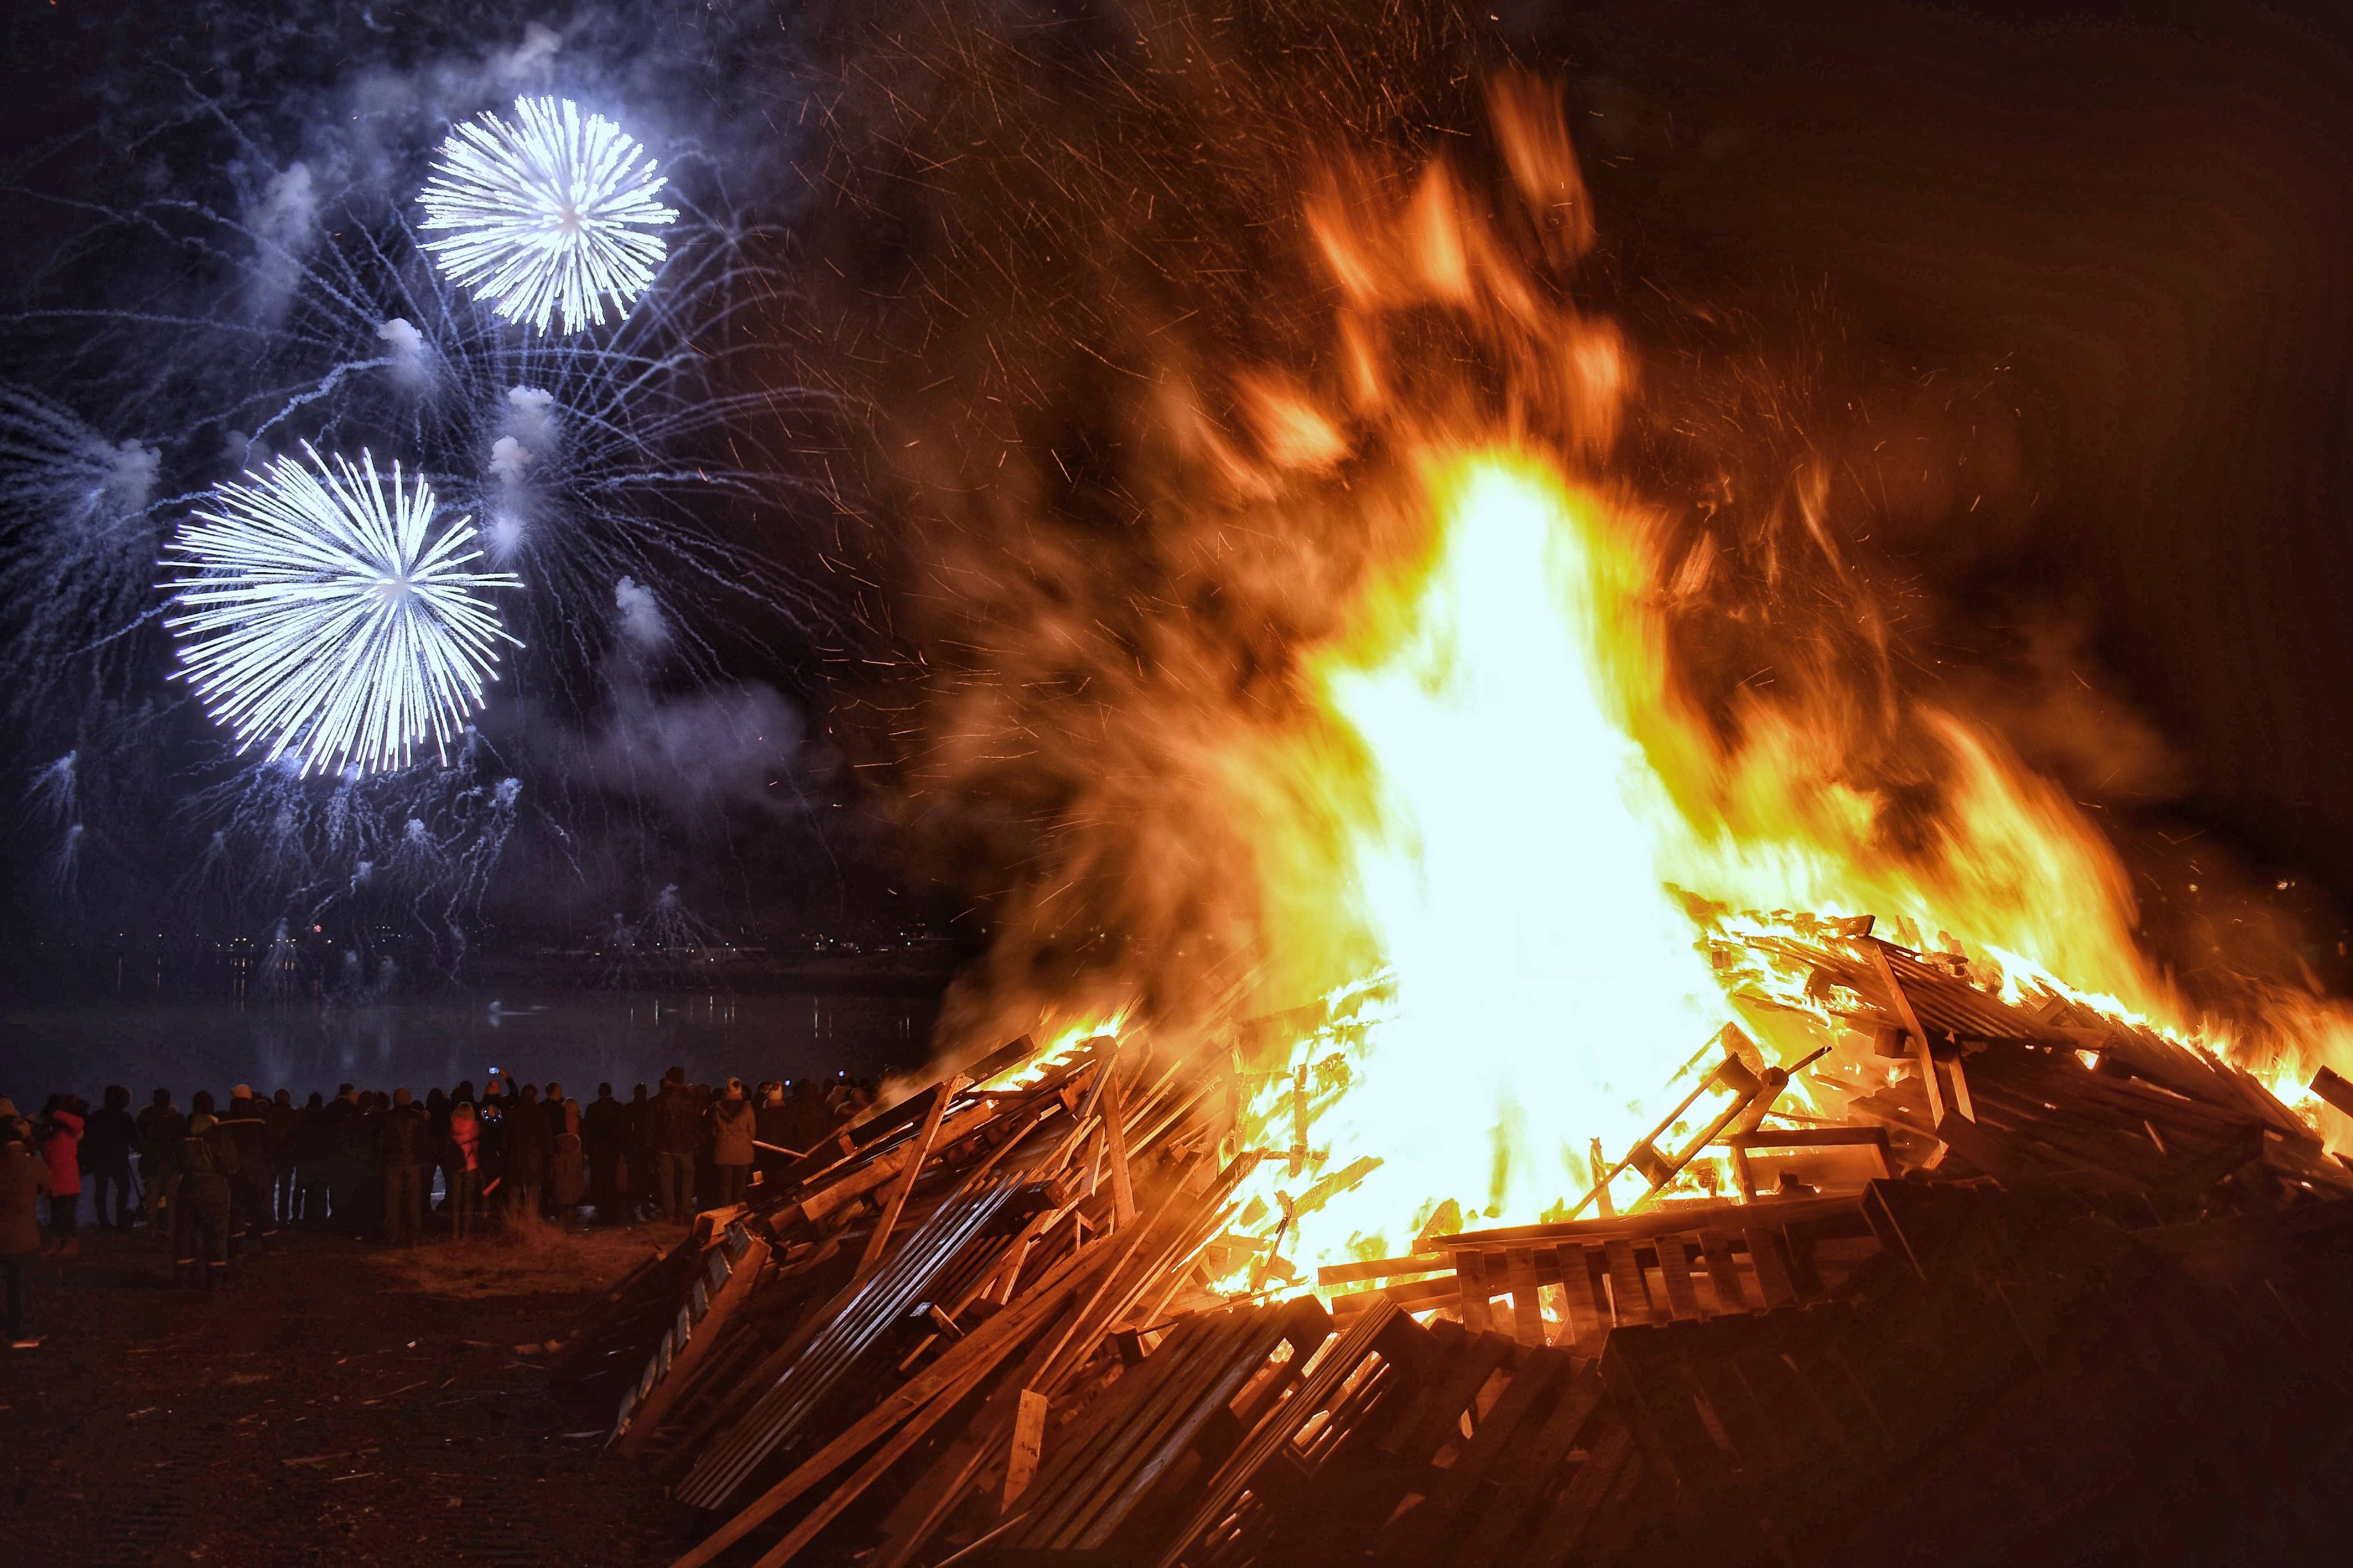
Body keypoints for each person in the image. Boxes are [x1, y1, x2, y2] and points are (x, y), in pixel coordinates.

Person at [170, 1094, 237, 1290]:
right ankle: (215, 1277)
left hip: (188, 1185)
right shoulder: (218, 1134)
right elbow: (231, 1165)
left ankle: (183, 1275)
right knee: (216, 1232)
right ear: (211, 1109)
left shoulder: (182, 1132)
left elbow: (174, 1162)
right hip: (215, 1187)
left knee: (185, 1232)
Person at [1, 1099, 52, 1346]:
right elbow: (49, 1189)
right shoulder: (32, 1164)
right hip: (23, 1235)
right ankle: (19, 1333)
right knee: (20, 1286)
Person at [217, 1086, 276, 1254]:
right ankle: (270, 1244)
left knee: (237, 1209)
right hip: (257, 1169)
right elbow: (269, 1145)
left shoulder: (225, 1122)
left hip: (235, 1172)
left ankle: (237, 1247)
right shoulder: (259, 1120)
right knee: (264, 1206)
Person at [647, 1068, 703, 1223]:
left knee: (667, 1181)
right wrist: (696, 1142)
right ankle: (684, 1212)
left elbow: (651, 1124)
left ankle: (670, 1213)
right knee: (687, 1180)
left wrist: (651, 1143)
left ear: (668, 1080)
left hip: (664, 1147)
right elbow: (697, 1124)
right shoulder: (692, 1099)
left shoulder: (658, 1100)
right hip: (686, 1146)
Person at [378, 1088, 431, 1247]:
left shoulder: (386, 1118)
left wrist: (382, 1161)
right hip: (413, 1163)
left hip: (393, 1164)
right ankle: (415, 1237)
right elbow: (424, 1142)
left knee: (392, 1202)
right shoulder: (418, 1118)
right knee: (414, 1201)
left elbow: (381, 1143)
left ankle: (392, 1237)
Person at [82, 1087, 137, 1233]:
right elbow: (134, 1140)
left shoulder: (96, 1117)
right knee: (123, 1189)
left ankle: (104, 1222)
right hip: (119, 1159)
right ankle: (121, 1219)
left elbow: (88, 1139)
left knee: (102, 1190)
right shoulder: (125, 1118)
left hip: (100, 1159)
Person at [36, 1095, 84, 1257]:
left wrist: (55, 1113)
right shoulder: (49, 1132)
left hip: (68, 1179)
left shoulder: (68, 1130)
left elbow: (79, 1123)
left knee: (67, 1215)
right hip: (55, 1180)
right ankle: (57, 1244)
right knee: (56, 1215)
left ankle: (71, 1245)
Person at [136, 1089, 183, 1242]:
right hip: (172, 1163)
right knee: (172, 1200)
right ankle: (171, 1231)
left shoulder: (144, 1118)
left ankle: (152, 1231)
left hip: (151, 1163)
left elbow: (139, 1140)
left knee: (152, 1199)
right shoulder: (176, 1118)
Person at [502, 1083, 551, 1223]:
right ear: (535, 1097)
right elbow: (547, 1139)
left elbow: (505, 1139)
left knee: (514, 1195)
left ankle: (512, 1225)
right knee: (533, 1196)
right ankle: (531, 1225)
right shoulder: (542, 1114)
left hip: (516, 1159)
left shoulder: (512, 1114)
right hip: (535, 1160)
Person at [709, 1080, 756, 1210]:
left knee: (725, 1185)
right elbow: (752, 1132)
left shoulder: (718, 1109)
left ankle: (725, 1212)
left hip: (723, 1151)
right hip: (743, 1152)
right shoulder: (747, 1108)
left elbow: (714, 1131)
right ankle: (738, 1212)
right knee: (741, 1185)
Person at [582, 1083, 625, 1216]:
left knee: (598, 1175)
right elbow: (622, 1129)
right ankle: (611, 1203)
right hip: (613, 1148)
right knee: (611, 1175)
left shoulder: (592, 1108)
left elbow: (586, 1130)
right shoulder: (618, 1107)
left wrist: (587, 1148)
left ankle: (599, 1203)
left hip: (596, 1149)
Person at [444, 1100, 484, 1241]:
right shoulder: (475, 1127)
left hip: (455, 1167)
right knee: (468, 1200)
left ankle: (455, 1232)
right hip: (470, 1166)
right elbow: (476, 1148)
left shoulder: (451, 1127)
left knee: (456, 1200)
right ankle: (466, 1233)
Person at [265, 1088, 302, 1225]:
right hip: (287, 1158)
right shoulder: (294, 1115)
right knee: (285, 1192)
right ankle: (283, 1220)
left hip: (272, 1157)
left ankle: (269, 1220)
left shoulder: (269, 1115)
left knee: (269, 1191)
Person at [549, 1097, 585, 1218]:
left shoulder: (561, 1119)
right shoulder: (578, 1120)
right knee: (575, 1178)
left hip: (561, 1154)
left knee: (561, 1180)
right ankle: (573, 1204)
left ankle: (562, 1205)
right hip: (576, 1152)